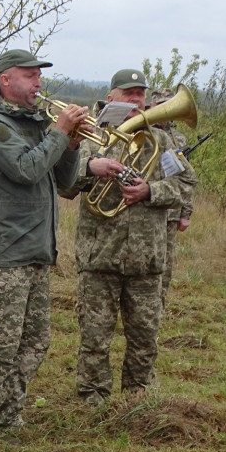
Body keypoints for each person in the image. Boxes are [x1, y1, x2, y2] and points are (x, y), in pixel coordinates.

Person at [0, 49, 85, 434]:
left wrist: (72, 145)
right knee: (0, 343)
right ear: (5, 80)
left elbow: (64, 184)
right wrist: (59, 133)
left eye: (39, 76)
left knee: (35, 342)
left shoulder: (36, 125)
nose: (38, 84)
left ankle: (8, 414)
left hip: (36, 251)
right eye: (30, 76)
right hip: (6, 250)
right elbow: (27, 169)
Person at [64, 69, 198, 407]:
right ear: (111, 97)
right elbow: (64, 184)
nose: (137, 100)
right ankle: (92, 397)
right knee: (95, 336)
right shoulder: (88, 135)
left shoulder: (162, 141)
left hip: (147, 257)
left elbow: (184, 185)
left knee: (145, 336)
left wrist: (150, 190)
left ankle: (138, 397)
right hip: (100, 255)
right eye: (129, 93)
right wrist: (89, 167)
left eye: (141, 93)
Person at [149, 87, 196, 311]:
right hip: (147, 207)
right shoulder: (143, 131)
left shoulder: (178, 138)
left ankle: (159, 307)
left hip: (171, 210)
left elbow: (186, 180)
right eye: (160, 105)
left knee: (165, 265)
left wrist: (185, 213)